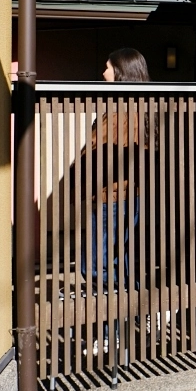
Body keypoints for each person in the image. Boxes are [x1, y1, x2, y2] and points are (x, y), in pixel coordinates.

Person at [82, 48, 149, 292]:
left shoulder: (119, 112)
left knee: (92, 266)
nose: (103, 73)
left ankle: (135, 297)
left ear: (121, 73)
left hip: (109, 196)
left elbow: (94, 152)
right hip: (130, 196)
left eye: (108, 68)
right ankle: (121, 323)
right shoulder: (142, 109)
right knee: (118, 260)